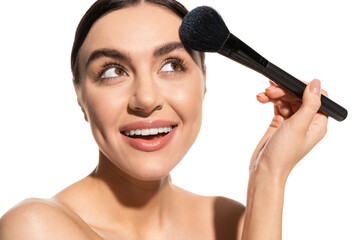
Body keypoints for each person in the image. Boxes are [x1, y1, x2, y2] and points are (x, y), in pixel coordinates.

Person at [0, 0, 328, 239]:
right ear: (80, 97)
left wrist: (268, 174)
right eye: (113, 71)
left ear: (203, 82)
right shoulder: (35, 228)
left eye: (171, 65)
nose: (146, 99)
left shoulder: (233, 222)